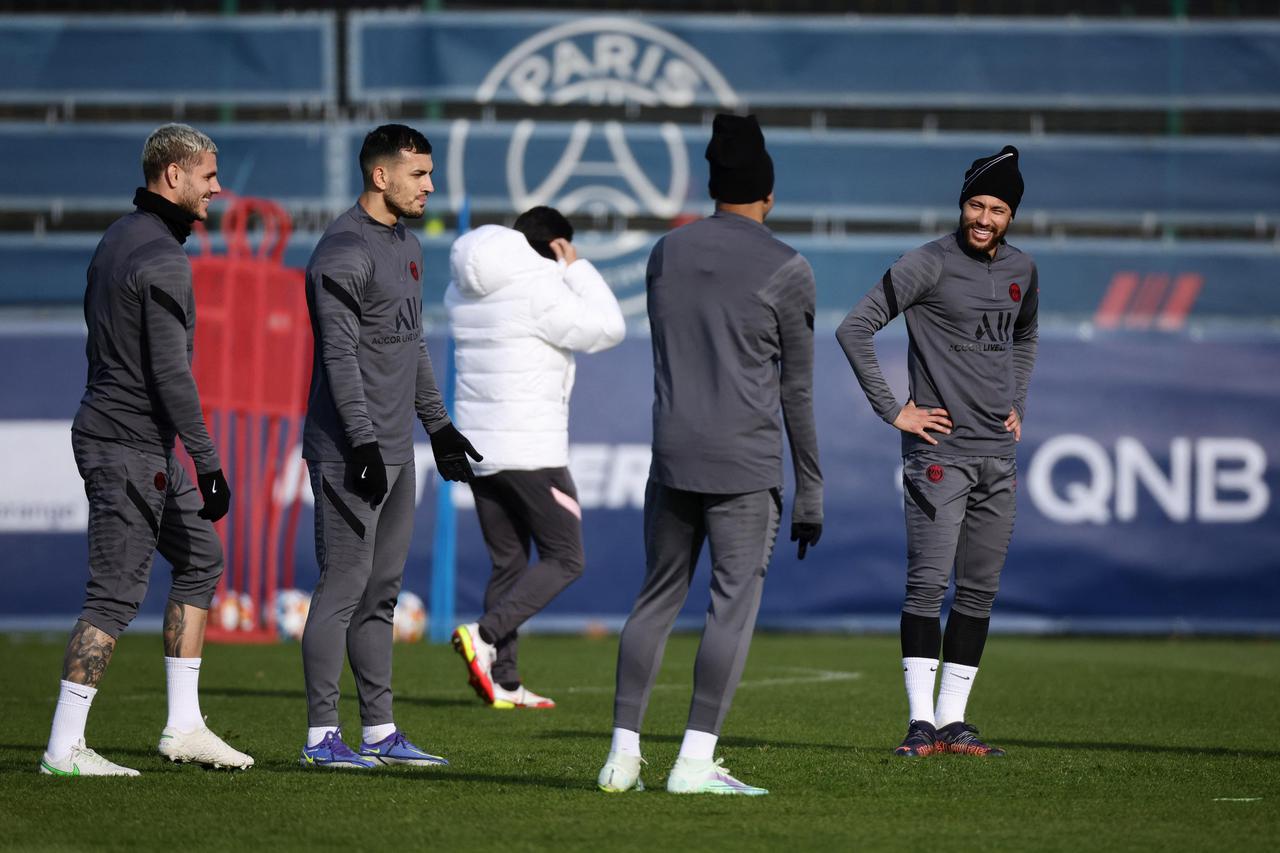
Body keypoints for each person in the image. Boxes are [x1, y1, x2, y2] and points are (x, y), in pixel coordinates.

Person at [596, 114, 823, 796]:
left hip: (671, 456)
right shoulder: (789, 267)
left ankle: (621, 757)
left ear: (713, 184)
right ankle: (694, 762)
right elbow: (798, 389)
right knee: (730, 608)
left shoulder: (666, 252)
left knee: (654, 599)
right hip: (744, 463)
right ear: (769, 195)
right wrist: (811, 488)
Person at [40, 123, 253, 776]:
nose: (218, 188)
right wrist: (211, 462)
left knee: (200, 555)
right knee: (114, 595)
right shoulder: (160, 255)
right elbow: (171, 374)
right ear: (173, 175)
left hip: (131, 442)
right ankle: (63, 746)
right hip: (126, 444)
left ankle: (183, 725)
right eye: (208, 176)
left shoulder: (119, 238)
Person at [835, 145, 1039, 758]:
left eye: (997, 208)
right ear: (961, 205)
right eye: (975, 204)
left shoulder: (1023, 270)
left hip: (996, 456)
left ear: (1011, 215)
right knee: (927, 588)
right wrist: (894, 409)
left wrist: (1017, 404)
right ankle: (919, 723)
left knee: (978, 593)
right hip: (939, 454)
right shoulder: (926, 263)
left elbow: (1024, 336)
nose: (984, 217)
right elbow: (854, 327)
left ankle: (954, 722)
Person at [299, 124, 482, 769]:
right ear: (382, 176)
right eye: (419, 174)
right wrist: (364, 443)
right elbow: (339, 356)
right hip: (352, 450)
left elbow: (411, 343)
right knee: (343, 586)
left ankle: (380, 732)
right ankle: (322, 737)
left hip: (398, 448)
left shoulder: (406, 244)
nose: (430, 185)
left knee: (381, 592)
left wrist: (440, 426)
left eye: (431, 174)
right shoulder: (342, 251)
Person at [445, 207, 625, 710]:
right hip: (532, 451)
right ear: (555, 247)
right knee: (567, 558)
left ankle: (502, 681)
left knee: (508, 563)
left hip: (479, 451)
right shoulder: (539, 288)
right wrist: (577, 269)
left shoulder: (463, 288)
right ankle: (485, 635)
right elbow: (609, 327)